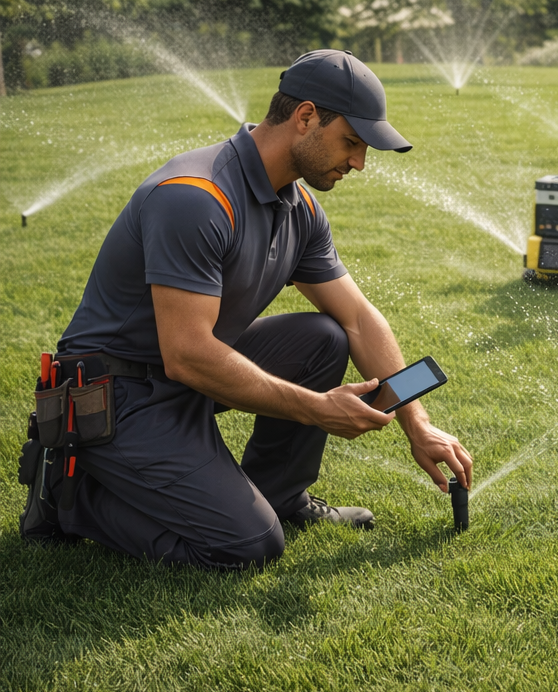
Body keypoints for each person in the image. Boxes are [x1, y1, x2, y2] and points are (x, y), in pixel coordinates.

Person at [18, 49, 473, 569]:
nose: (359, 163)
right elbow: (188, 355)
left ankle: (282, 498)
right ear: (305, 117)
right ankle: (69, 496)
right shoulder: (196, 197)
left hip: (182, 376)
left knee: (325, 336)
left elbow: (358, 319)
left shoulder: (297, 208)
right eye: (352, 142)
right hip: (117, 396)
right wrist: (316, 407)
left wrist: (417, 421)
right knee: (247, 546)